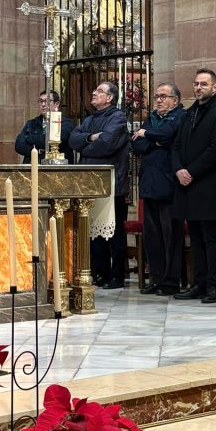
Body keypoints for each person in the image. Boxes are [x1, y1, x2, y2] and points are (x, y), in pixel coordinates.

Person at [172, 69, 216, 304]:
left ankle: (212, 286)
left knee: (209, 237)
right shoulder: (188, 114)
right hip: (186, 185)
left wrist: (191, 172)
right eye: (196, 83)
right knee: (195, 237)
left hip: (207, 185)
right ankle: (197, 284)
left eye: (204, 84)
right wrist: (178, 169)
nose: (199, 87)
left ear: (214, 87)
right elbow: (175, 146)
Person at [69, 82, 129, 289]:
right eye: (94, 90)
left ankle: (117, 276)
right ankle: (101, 273)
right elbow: (73, 140)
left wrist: (85, 147)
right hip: (90, 182)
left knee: (114, 231)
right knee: (94, 230)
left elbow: (106, 145)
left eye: (100, 91)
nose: (94, 93)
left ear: (110, 98)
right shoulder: (89, 119)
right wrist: (90, 138)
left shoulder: (118, 118)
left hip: (112, 183)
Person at [131, 83, 185, 296]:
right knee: (152, 236)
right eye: (157, 97)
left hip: (169, 184)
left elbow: (169, 136)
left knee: (170, 235)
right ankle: (156, 278)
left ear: (175, 100)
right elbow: (136, 145)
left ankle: (171, 281)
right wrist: (154, 140)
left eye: (164, 96)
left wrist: (147, 135)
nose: (159, 100)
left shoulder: (180, 116)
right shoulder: (152, 118)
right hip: (149, 184)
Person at [14, 90, 74, 163]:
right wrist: (39, 151)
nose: (43, 104)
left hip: (55, 165)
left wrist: (30, 139)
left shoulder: (65, 123)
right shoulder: (31, 123)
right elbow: (19, 146)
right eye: (41, 101)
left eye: (47, 101)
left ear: (57, 104)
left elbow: (50, 141)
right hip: (33, 164)